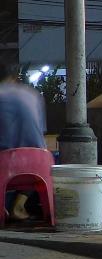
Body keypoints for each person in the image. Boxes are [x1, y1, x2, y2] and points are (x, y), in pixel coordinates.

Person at [0, 63, 48, 221]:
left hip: (5, 165)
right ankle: (19, 206)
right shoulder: (32, 95)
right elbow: (40, 131)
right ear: (14, 78)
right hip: (38, 165)